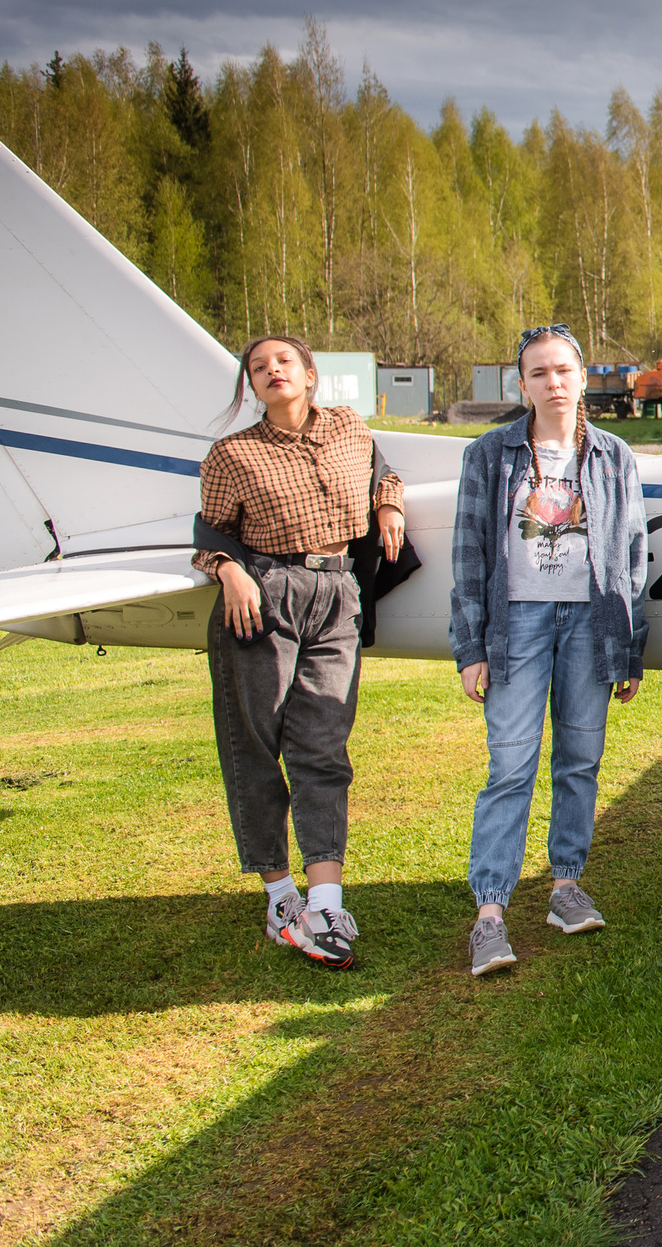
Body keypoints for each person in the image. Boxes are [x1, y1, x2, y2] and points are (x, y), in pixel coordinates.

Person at [193, 336, 405, 969]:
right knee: (255, 745)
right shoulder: (232, 454)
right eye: (258, 368)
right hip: (261, 598)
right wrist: (228, 570)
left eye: (283, 362)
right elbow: (209, 533)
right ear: (251, 388)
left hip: (338, 593)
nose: (271, 371)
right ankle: (279, 895)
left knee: (322, 745)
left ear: (310, 375)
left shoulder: (347, 427)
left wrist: (388, 504)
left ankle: (328, 899)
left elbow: (381, 469)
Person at [451, 324, 650, 978]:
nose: (553, 382)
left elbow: (631, 555)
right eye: (539, 372)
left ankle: (565, 886)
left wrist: (629, 646)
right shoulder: (491, 452)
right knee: (510, 764)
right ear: (523, 383)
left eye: (563, 369)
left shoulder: (615, 454)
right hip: (517, 623)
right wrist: (470, 647)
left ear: (583, 375)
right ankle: (490, 912)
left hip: (590, 624)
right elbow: (469, 556)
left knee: (580, 759)